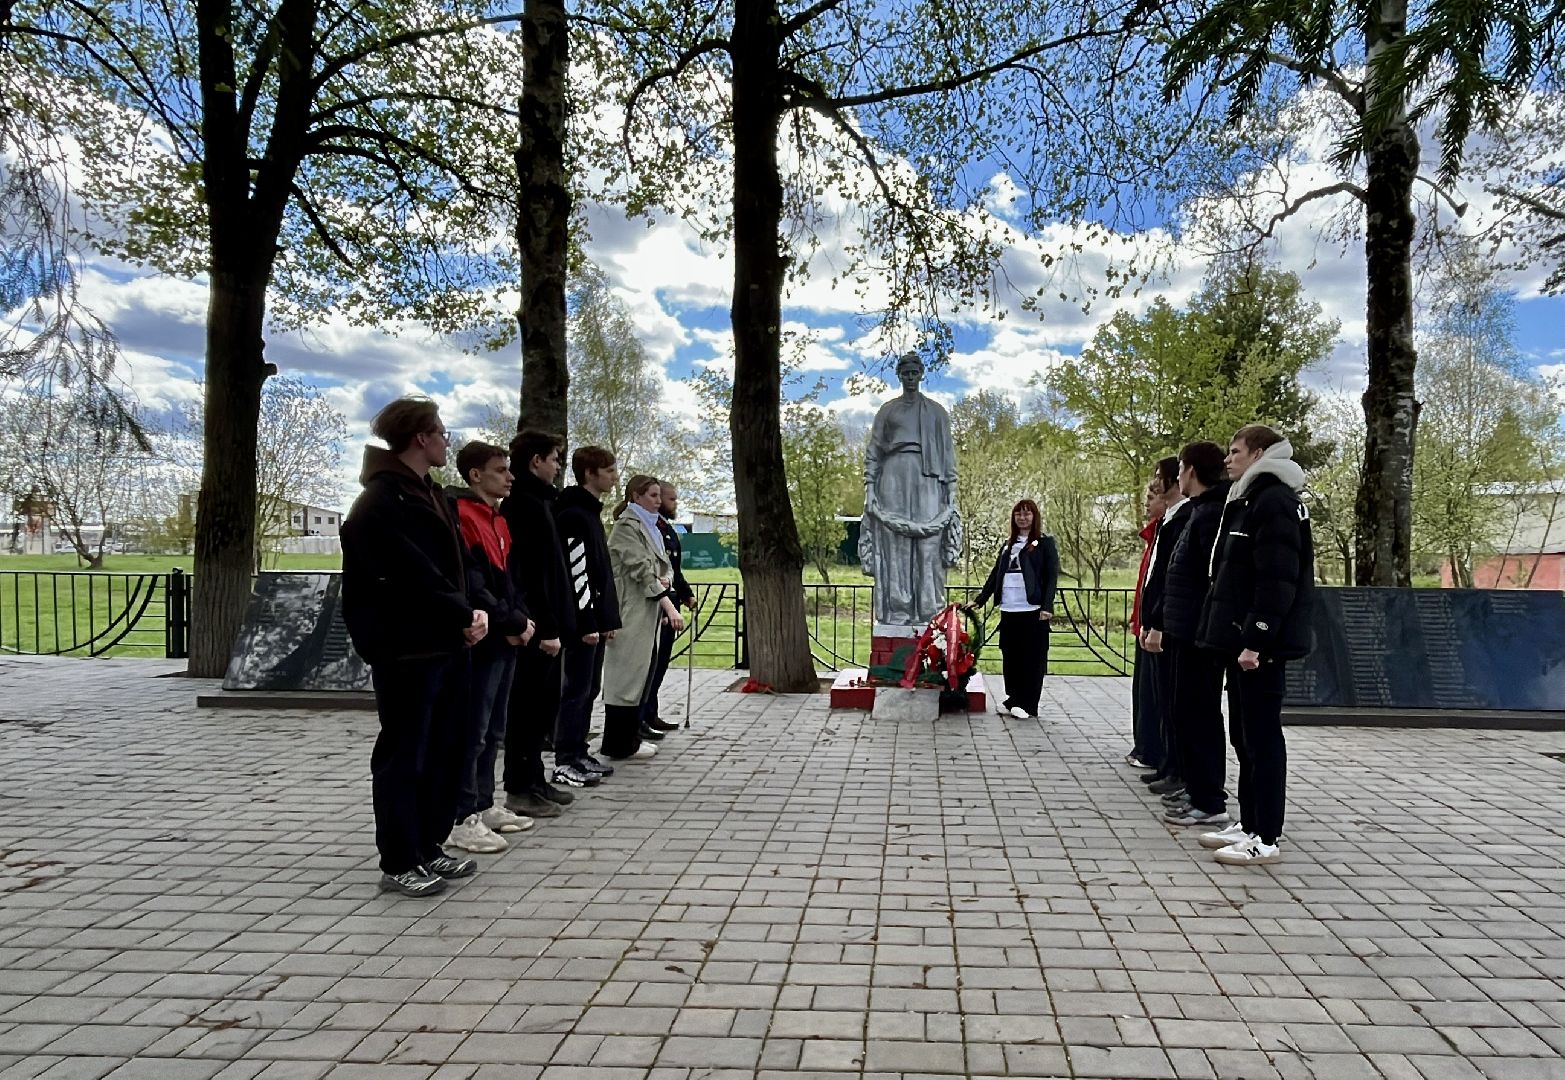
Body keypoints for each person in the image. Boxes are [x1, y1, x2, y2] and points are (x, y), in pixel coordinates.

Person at [341, 397, 484, 897]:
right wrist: (462, 612)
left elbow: (456, 567)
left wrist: (472, 614)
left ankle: (429, 845)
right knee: (406, 753)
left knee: (448, 747)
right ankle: (399, 858)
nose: (448, 441)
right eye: (442, 432)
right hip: (407, 648)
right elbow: (409, 572)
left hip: (447, 642)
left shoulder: (430, 494)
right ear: (420, 438)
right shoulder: (381, 501)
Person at [1197, 425, 1316, 866]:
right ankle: (1249, 822)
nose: (1228, 460)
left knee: (1262, 738)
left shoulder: (1275, 501)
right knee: (1244, 736)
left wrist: (1256, 638)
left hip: (1259, 647)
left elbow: (1277, 579)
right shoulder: (1248, 498)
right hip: (1242, 640)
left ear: (1260, 453)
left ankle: (1265, 836)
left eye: (1235, 452)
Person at [444, 442, 537, 854]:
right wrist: (511, 620)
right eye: (501, 470)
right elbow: (476, 582)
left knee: (495, 727)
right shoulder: (463, 516)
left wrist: (522, 619)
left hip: (505, 637)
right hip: (483, 640)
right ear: (476, 475)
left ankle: (484, 804)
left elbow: (511, 578)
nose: (510, 476)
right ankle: (461, 816)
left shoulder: (497, 518)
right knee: (473, 730)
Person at [1141, 442, 1228, 828]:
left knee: (1199, 716)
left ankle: (1207, 797)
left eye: (1179, 469)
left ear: (1191, 471)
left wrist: (1164, 622)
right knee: (1183, 712)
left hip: (1195, 633)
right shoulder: (1198, 513)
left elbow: (1202, 581)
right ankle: (1194, 788)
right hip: (1180, 628)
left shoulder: (1209, 515)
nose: (1176, 476)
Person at [499, 430, 578, 818]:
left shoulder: (541, 503)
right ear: (536, 461)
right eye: (554, 459)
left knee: (544, 704)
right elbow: (532, 573)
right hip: (535, 625)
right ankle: (519, 786)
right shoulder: (524, 506)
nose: (558, 466)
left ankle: (535, 777)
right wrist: (546, 625)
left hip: (548, 622)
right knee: (527, 708)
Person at [860, 352, 961, 632]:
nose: (910, 377)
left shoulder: (937, 412)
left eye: (915, 372)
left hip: (929, 477)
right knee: (897, 546)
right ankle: (898, 610)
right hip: (893, 475)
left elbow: (948, 454)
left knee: (929, 544)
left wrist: (951, 490)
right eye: (905, 372)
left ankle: (929, 609)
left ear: (921, 374)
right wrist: (870, 489)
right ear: (899, 375)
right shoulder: (888, 410)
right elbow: (874, 451)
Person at [551, 446, 623, 788]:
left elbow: (600, 572)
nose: (614, 477)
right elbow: (577, 572)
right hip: (582, 623)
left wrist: (607, 618)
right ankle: (565, 757)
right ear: (590, 473)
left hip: (595, 620)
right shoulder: (574, 515)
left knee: (589, 688)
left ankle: (579, 750)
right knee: (576, 689)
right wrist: (588, 621)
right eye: (608, 471)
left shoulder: (590, 513)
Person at [600, 475, 685, 760]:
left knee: (641, 673)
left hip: (646, 608)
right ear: (635, 497)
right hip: (629, 609)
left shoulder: (652, 527)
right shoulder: (627, 527)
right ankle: (618, 742)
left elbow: (664, 567)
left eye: (659, 495)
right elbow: (640, 568)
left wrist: (666, 582)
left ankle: (631, 736)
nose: (658, 501)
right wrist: (668, 605)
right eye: (652, 495)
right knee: (625, 675)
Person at [967, 499, 1060, 719]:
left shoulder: (1044, 544)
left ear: (1034, 517)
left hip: (1033, 610)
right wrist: (980, 599)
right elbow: (995, 575)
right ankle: (1013, 699)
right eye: (1018, 514)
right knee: (1011, 656)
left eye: (1027, 514)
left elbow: (1051, 577)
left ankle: (1028, 703)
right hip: (1009, 610)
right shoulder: (1007, 545)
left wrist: (1047, 606)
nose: (1023, 518)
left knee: (1032, 658)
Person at [1127, 458, 1179, 771]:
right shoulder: (1154, 533)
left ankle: (1155, 752)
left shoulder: (1172, 528)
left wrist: (1153, 621)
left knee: (1156, 696)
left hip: (1160, 626)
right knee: (1143, 694)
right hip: (1145, 623)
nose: (1147, 502)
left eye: (1152, 496)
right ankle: (1145, 746)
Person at [639, 481, 698, 738]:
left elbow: (673, 569)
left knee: (660, 664)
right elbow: (656, 572)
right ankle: (641, 716)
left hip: (670, 600)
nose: (676, 504)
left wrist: (685, 594)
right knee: (651, 664)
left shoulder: (665, 528)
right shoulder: (652, 530)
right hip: (657, 605)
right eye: (672, 499)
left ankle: (650, 712)